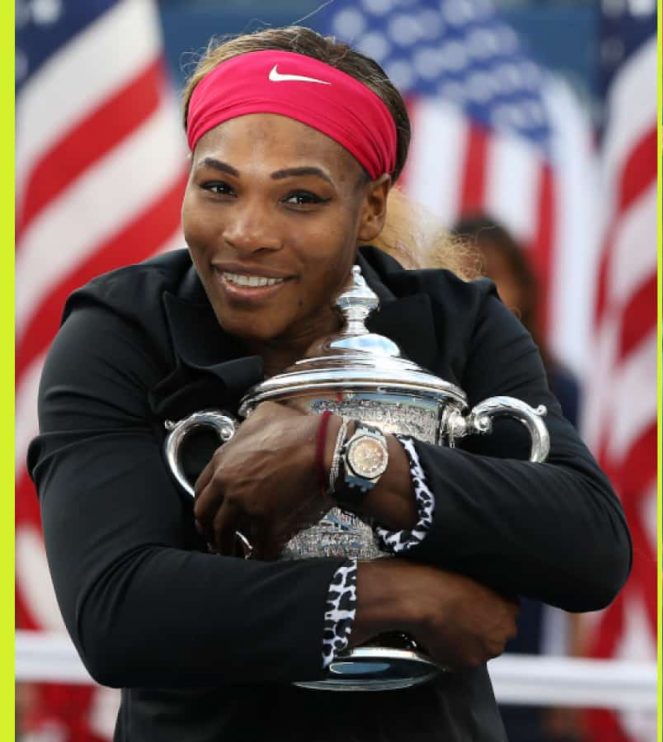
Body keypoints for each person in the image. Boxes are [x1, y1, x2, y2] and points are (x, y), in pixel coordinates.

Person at [28, 27, 630, 741]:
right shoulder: (121, 330)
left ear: (370, 208)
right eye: (219, 187)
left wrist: (348, 456)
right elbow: (117, 612)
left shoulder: (457, 320)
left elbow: (591, 551)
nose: (246, 232)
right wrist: (392, 597)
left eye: (300, 199)